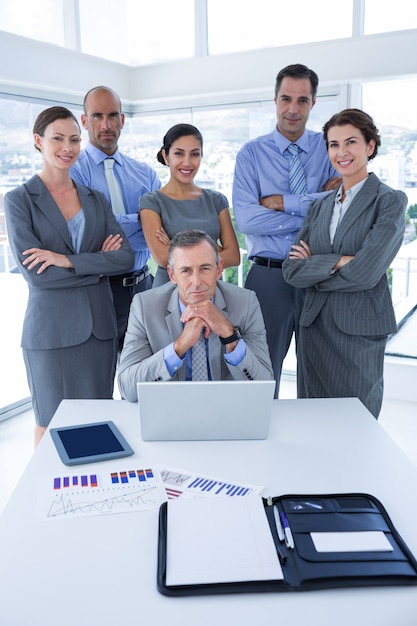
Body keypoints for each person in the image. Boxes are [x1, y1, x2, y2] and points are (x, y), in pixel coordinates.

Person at [4, 106, 135, 445]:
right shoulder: (19, 201)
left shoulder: (95, 199)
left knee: (99, 424)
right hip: (51, 334)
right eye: (58, 138)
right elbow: (38, 277)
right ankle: (46, 499)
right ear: (38, 141)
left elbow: (124, 259)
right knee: (50, 426)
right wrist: (97, 267)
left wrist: (65, 260)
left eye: (74, 139)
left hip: (99, 332)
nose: (68, 147)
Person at [282, 108, 407, 418]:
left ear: (370, 146)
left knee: (357, 421)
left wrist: (318, 266)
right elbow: (292, 269)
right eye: (333, 144)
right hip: (314, 327)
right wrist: (340, 261)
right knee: (312, 421)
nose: (341, 152)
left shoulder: (388, 201)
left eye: (350, 142)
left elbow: (367, 272)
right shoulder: (320, 205)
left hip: (357, 329)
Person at [232, 63, 340, 397]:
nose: (293, 109)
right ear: (275, 99)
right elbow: (248, 220)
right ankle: (261, 442)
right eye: (286, 99)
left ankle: (313, 445)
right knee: (263, 373)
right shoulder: (251, 154)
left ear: (314, 102)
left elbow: (343, 207)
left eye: (302, 100)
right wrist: (316, 206)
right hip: (268, 278)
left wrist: (283, 202)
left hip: (319, 276)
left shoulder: (329, 149)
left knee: (320, 370)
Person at [118, 229, 273, 402]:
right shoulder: (145, 306)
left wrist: (230, 336)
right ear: (172, 275)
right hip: (170, 411)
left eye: (205, 268)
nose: (197, 282)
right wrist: (178, 347)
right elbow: (127, 389)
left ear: (219, 268)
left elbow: (264, 385)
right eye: (186, 271)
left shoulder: (245, 303)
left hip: (226, 410)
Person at [70, 86, 161, 350]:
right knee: (102, 379)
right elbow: (88, 233)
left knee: (149, 378)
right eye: (97, 116)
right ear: (85, 121)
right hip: (100, 291)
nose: (106, 124)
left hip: (145, 287)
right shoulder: (74, 173)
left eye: (112, 115)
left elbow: (157, 233)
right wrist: (141, 220)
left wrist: (115, 227)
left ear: (122, 120)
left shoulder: (145, 174)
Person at [140, 123, 240, 287]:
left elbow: (234, 256)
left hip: (211, 292)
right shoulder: (151, 202)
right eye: (179, 153)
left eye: (194, 154)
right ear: (166, 156)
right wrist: (212, 248)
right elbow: (163, 257)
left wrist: (174, 245)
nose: (187, 162)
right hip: (168, 292)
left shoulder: (216, 200)